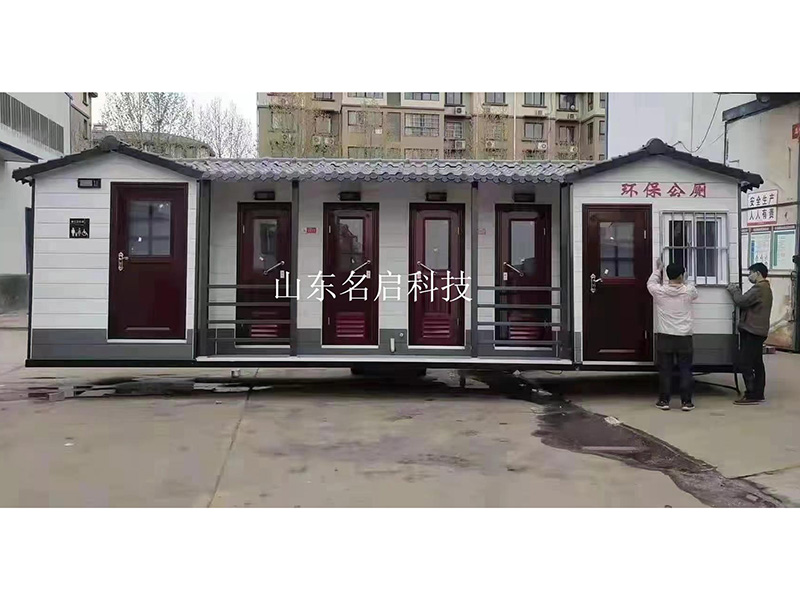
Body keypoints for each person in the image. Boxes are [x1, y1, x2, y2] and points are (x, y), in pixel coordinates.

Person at [647, 259, 698, 411]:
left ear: (668, 275)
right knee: (685, 370)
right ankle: (686, 402)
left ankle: (664, 401)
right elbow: (693, 289)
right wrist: (684, 279)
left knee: (665, 371)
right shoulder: (689, 291)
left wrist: (658, 269)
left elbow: (650, 283)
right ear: (682, 275)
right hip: (684, 337)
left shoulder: (659, 292)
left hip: (665, 336)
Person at [727, 263, 773, 404]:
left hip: (753, 330)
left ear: (758, 273)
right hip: (759, 330)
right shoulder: (766, 288)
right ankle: (758, 393)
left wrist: (734, 290)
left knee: (745, 362)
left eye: (751, 272)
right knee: (757, 363)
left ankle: (752, 394)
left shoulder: (759, 288)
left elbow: (741, 301)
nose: (749, 276)